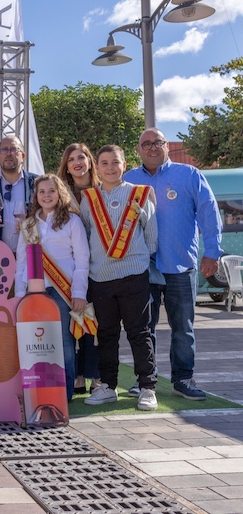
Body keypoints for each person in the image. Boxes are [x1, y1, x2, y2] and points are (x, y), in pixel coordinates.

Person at [124, 128, 223, 401]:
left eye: (158, 142)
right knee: (144, 327)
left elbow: (208, 212)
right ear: (138, 150)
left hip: (182, 265)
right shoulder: (128, 180)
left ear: (166, 146)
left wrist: (212, 251)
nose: (153, 148)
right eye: (147, 144)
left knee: (183, 328)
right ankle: (146, 380)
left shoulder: (189, 175)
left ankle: (183, 379)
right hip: (144, 268)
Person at [81, 145, 158, 411]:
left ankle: (147, 387)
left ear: (125, 164)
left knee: (139, 332)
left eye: (115, 162)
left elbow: (151, 233)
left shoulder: (140, 194)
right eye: (104, 163)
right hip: (100, 276)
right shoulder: (88, 198)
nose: (110, 168)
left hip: (134, 274)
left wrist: (138, 258)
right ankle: (109, 386)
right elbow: (87, 233)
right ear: (97, 167)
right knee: (106, 333)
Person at [16, 174, 89, 402]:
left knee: (64, 342)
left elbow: (82, 260)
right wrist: (19, 294)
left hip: (62, 291)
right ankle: (39, 390)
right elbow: (21, 262)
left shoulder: (72, 221)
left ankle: (64, 394)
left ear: (60, 194)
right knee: (36, 341)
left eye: (51, 191)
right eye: (42, 192)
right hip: (34, 292)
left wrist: (79, 293)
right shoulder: (28, 225)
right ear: (36, 196)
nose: (47, 195)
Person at [56, 143, 101, 395]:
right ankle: (77, 375)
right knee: (73, 319)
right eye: (71, 159)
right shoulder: (62, 194)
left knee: (93, 323)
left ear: (89, 161)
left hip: (101, 265)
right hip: (71, 269)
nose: (77, 162)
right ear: (66, 165)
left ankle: (94, 374)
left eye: (81, 157)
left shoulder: (102, 189)